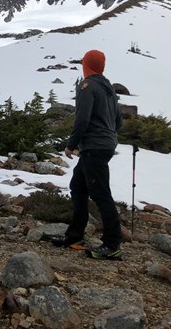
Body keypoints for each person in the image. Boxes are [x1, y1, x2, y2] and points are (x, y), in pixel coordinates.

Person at [51, 49, 123, 260]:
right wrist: (106, 135)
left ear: (86, 65)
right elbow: (118, 121)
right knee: (78, 186)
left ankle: (112, 244)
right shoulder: (108, 88)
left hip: (94, 147)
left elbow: (81, 120)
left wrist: (71, 144)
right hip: (104, 145)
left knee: (100, 193)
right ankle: (75, 236)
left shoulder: (87, 86)